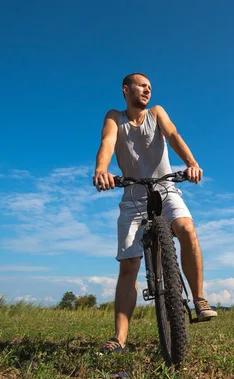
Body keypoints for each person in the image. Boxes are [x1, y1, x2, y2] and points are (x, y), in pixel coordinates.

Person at [93, 72, 217, 354]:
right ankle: (120, 340)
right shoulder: (115, 117)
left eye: (150, 87)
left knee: (186, 228)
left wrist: (191, 162)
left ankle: (199, 299)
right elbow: (108, 143)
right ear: (126, 90)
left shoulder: (157, 112)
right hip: (132, 195)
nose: (148, 90)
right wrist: (101, 170)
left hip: (166, 189)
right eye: (141, 85)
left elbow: (173, 135)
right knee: (129, 266)